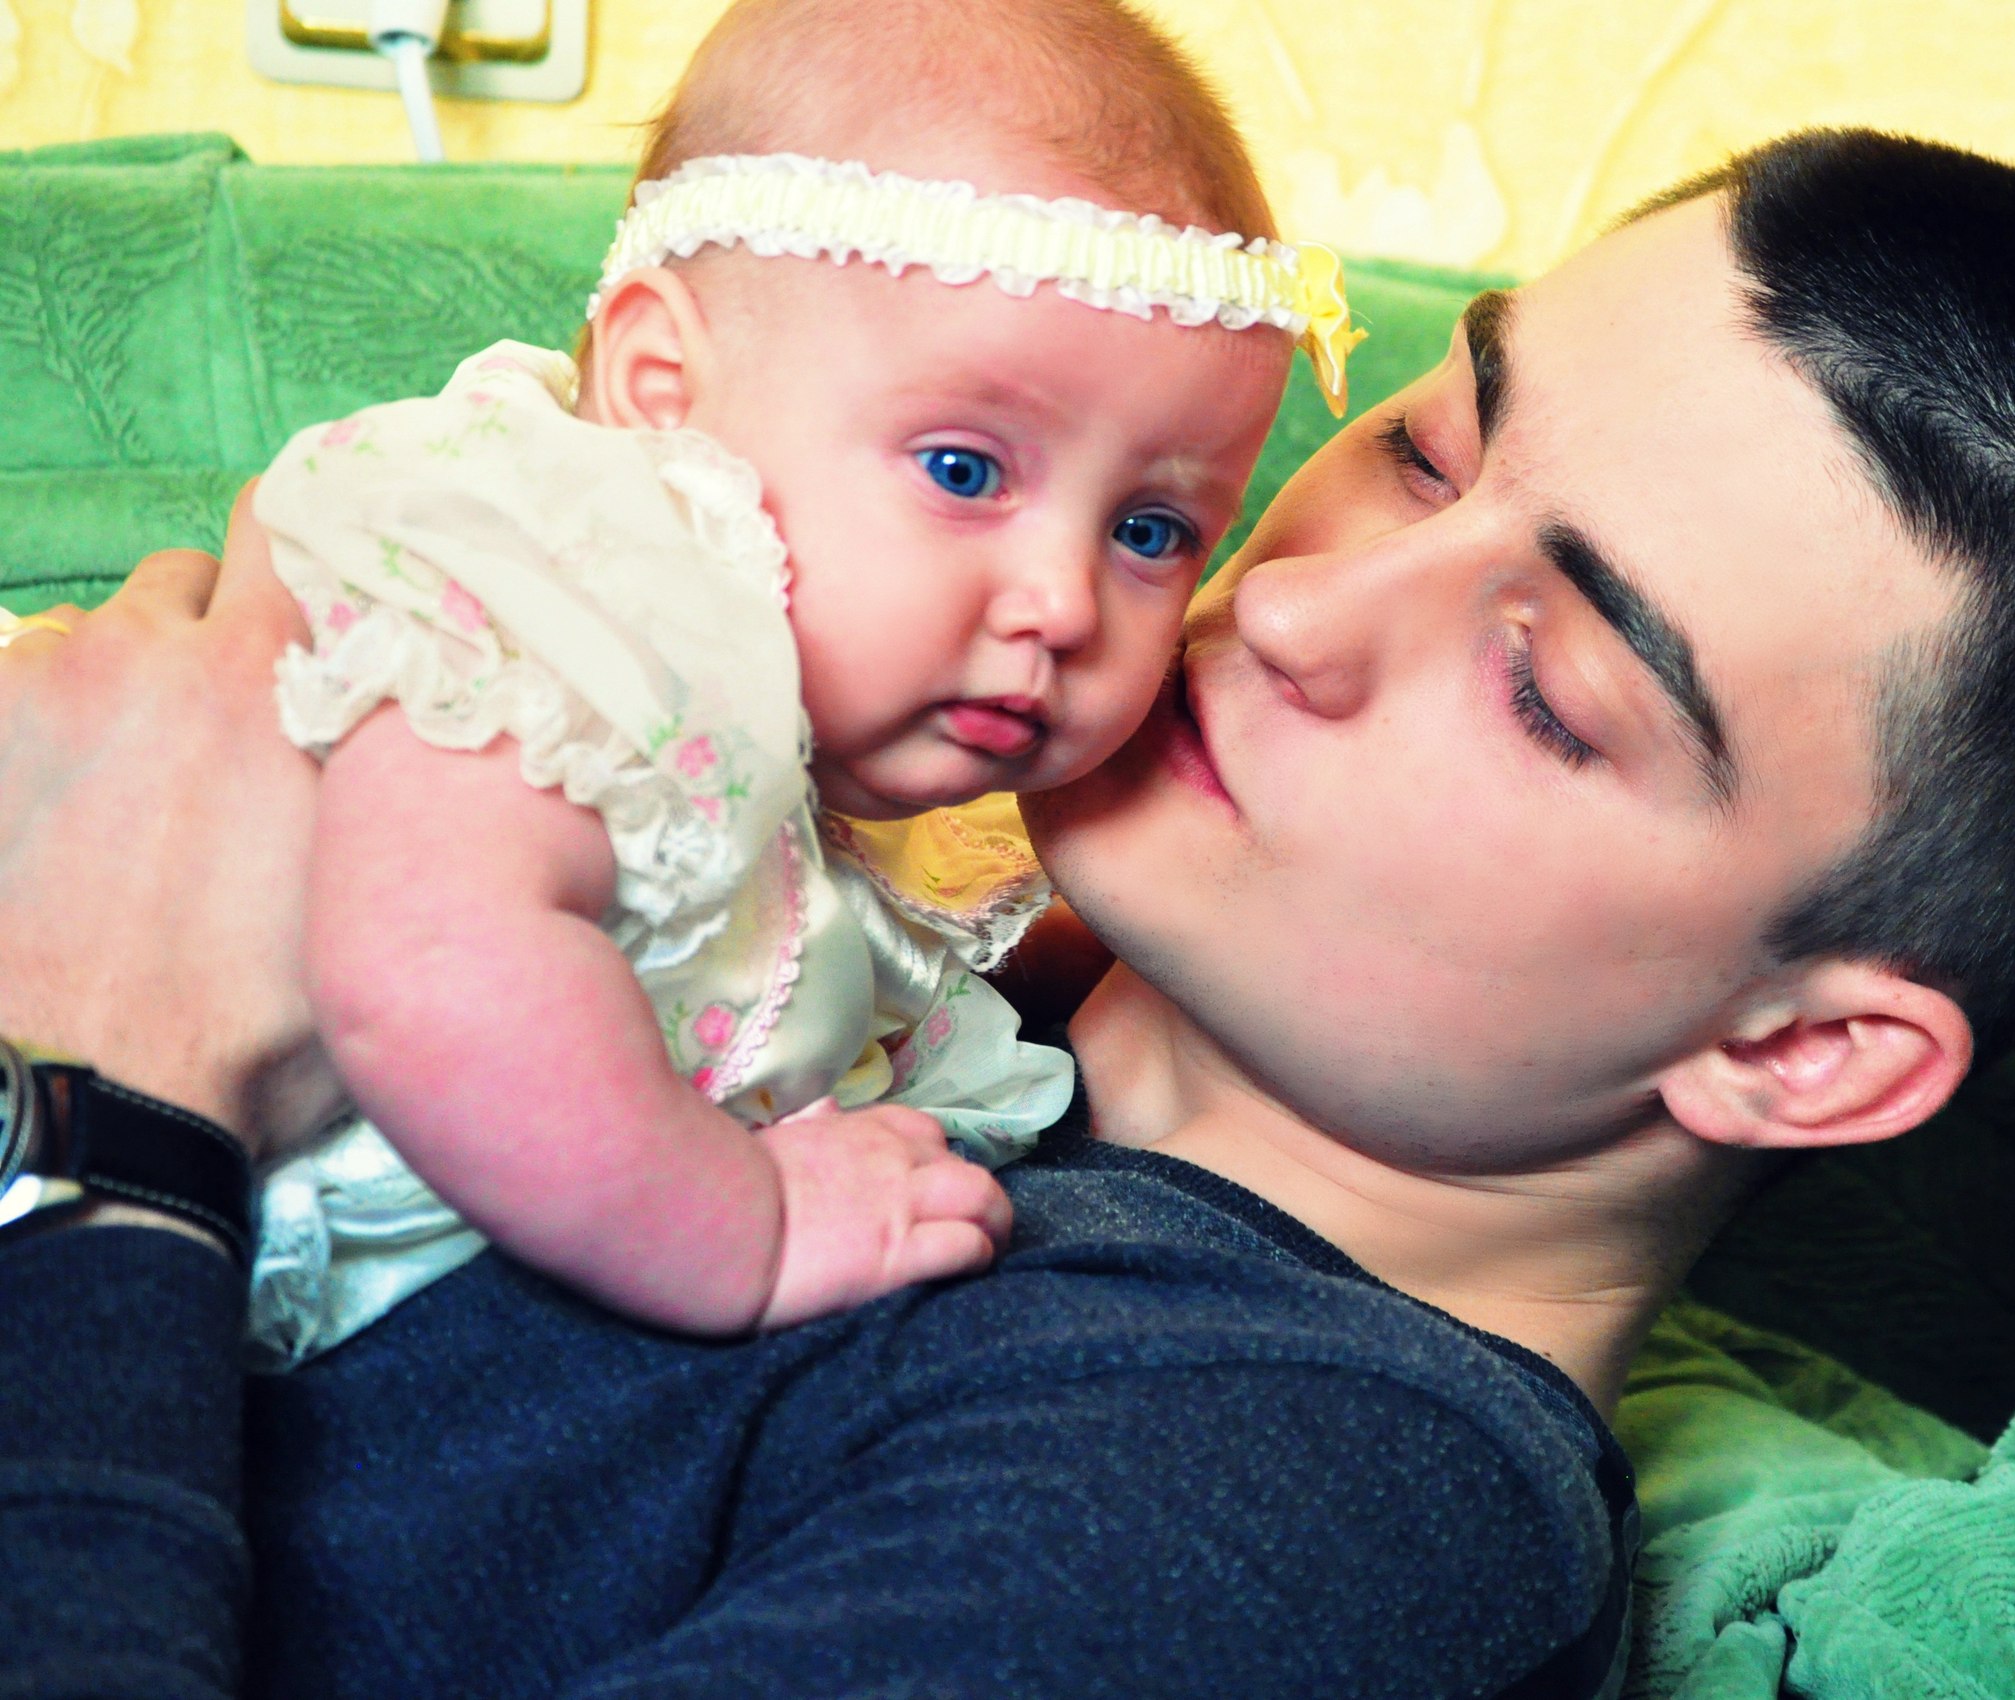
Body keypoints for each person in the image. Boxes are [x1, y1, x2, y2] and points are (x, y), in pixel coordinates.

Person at [0, 125, 2015, 1698]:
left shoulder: (1309, 1500)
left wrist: (100, 1106)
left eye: (1544, 687)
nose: (1293, 603)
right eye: (1425, 445)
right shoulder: (861, 933)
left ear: (1799, 1049)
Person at [242, 0, 1354, 1362]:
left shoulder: (772, 737)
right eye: (963, 470)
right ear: (663, 392)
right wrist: (743, 1230)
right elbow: (428, 966)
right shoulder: (565, 594)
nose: (1065, 603)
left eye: (1151, 530)